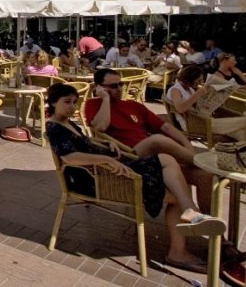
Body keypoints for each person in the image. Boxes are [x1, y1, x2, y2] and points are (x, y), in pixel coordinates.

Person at [47, 83, 225, 272]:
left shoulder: (67, 122)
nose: (73, 106)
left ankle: (186, 223)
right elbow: (70, 157)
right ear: (52, 102)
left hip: (107, 170)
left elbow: (85, 143)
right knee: (173, 179)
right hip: (99, 180)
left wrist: (107, 145)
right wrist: (106, 158)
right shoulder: (54, 128)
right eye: (67, 102)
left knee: (174, 179)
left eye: (75, 102)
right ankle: (187, 223)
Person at [85, 68, 216, 219]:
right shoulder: (93, 105)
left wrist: (187, 144)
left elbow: (165, 127)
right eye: (113, 86)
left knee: (205, 176)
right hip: (129, 156)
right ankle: (202, 162)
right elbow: (100, 127)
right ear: (100, 87)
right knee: (157, 140)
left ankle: (207, 224)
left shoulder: (133, 105)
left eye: (121, 84)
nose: (119, 89)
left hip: (155, 159)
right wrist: (105, 99)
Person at [167, 64, 246, 141]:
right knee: (244, 121)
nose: (200, 82)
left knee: (241, 134)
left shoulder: (189, 89)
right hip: (195, 124)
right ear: (190, 78)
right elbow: (180, 108)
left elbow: (196, 104)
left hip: (203, 120)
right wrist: (198, 94)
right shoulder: (175, 90)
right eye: (198, 80)